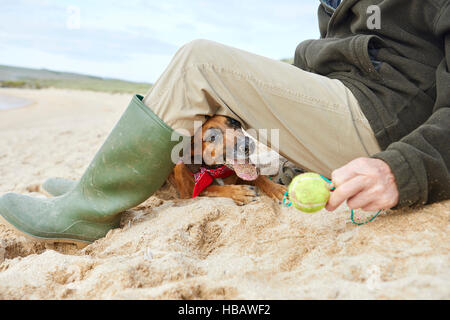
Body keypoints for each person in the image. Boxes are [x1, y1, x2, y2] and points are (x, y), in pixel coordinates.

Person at [0, 0, 448, 245]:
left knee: (201, 61)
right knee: (210, 120)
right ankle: (94, 190)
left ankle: (88, 209)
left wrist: (402, 168)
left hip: (384, 127)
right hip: (350, 111)